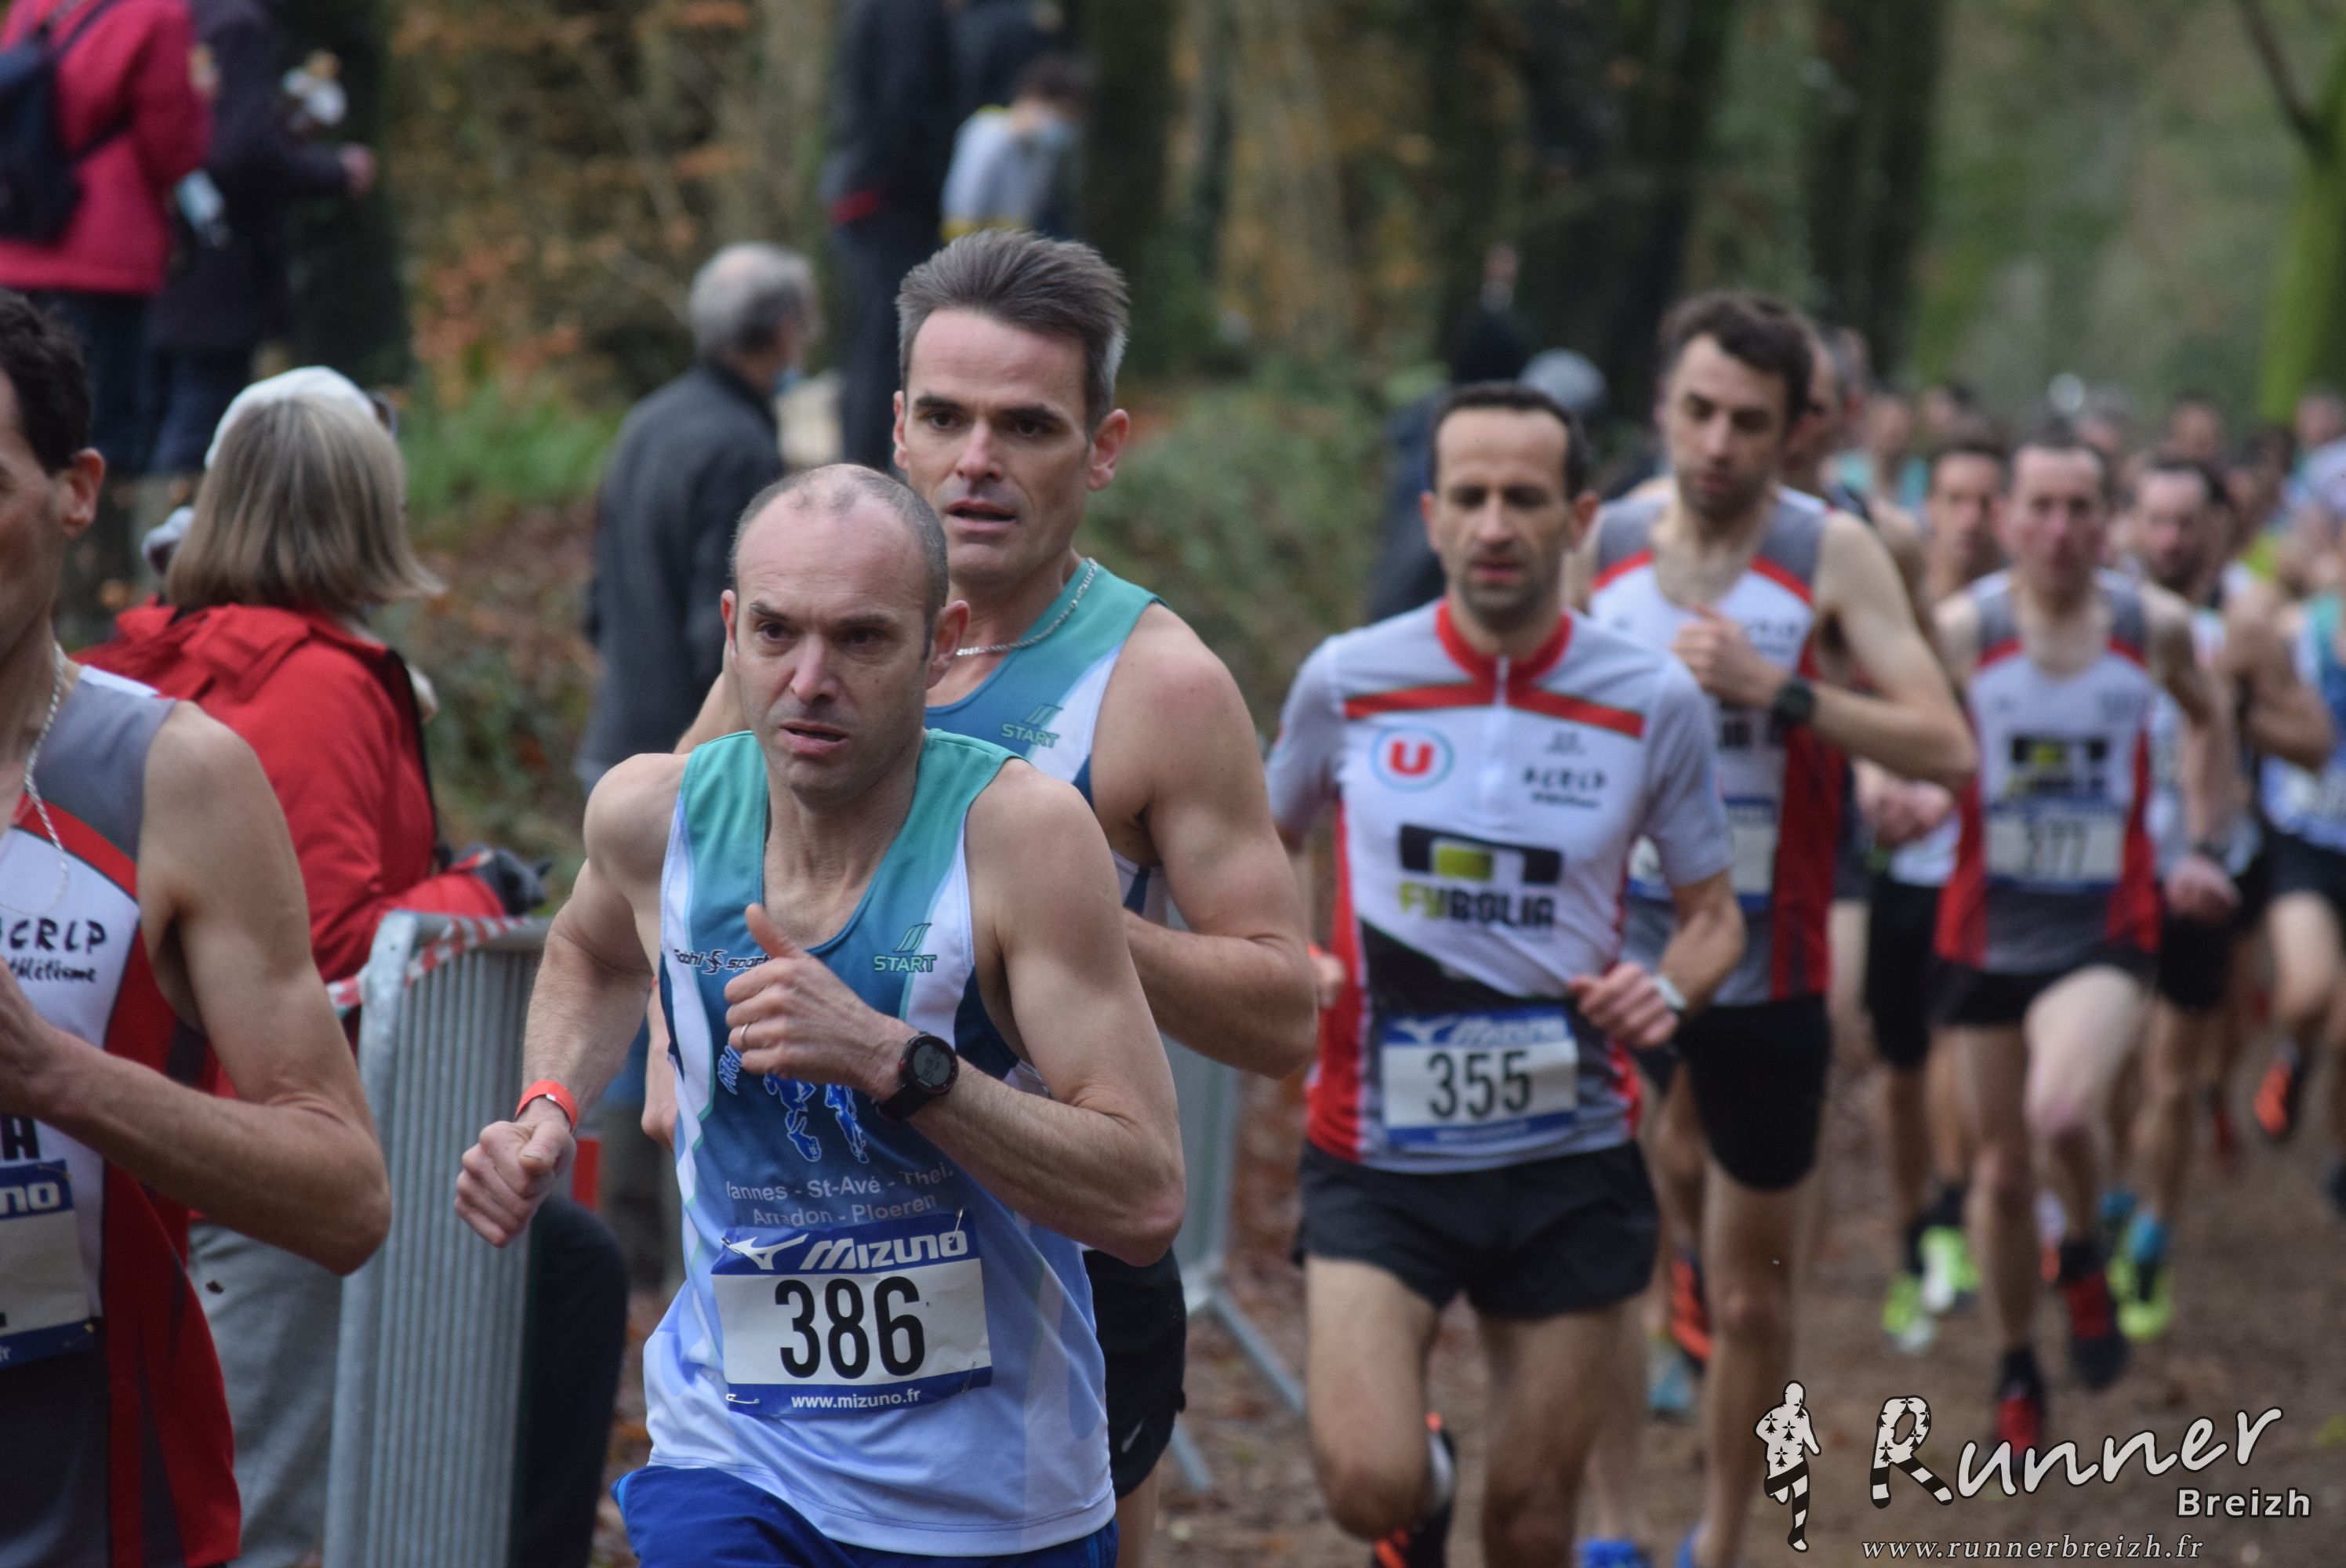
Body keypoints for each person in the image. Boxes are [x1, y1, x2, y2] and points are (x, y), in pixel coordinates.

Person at [667, 229, 1320, 1566]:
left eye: (1025, 425)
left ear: (1102, 447)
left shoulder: (1157, 686)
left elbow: (1280, 1008)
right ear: (896, 426)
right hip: (804, 1254)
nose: (976, 460)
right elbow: (672, 874)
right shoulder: (802, 640)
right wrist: (656, 1065)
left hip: (1056, 1256)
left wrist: (1035, 913)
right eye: (947, 418)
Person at [457, 464, 1186, 1566]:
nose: (809, 680)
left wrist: (895, 1060)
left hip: (992, 1496)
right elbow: (592, 949)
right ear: (729, 631)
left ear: (940, 645)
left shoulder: (1021, 842)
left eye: (860, 639)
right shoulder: (655, 818)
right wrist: (550, 1105)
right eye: (776, 633)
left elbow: (1144, 1194)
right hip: (736, 1457)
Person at [79, 390, 623, 1568]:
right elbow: (329, 948)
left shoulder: (119, 671)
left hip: (124, 1141)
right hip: (259, 1153)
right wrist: (478, 889)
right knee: (251, 1521)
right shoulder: (320, 683)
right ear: (365, 511)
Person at [1271, 382, 1743, 1568]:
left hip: (1566, 1158)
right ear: (1430, 515)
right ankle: (1423, 1488)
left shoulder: (1652, 699)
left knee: (1533, 1520)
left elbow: (1712, 920)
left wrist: (1667, 990)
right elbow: (1262, 839)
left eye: (1524, 498)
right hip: (1378, 1153)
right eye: (1470, 496)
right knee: (1366, 1481)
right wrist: (1286, 945)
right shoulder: (1346, 679)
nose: (1494, 525)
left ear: (1577, 519)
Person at [1574, 290, 1976, 1568]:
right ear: (1662, 407)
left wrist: (1784, 691)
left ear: (1794, 428)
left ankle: (1724, 1539)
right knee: (1602, 1269)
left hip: (1770, 967)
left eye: (1748, 421)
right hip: (1620, 953)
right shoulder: (1607, 540)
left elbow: (1946, 743)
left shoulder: (1830, 552)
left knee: (1752, 1299)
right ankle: (1614, 1530)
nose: (1717, 442)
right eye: (1697, 411)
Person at [0, 291, 390, 1564]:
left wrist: (54, 1076)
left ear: (76, 492)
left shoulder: (174, 775)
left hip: (96, 1510)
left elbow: (345, 1197)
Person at [1930, 432, 2241, 1454]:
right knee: (2000, 1174)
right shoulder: (1965, 631)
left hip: (2105, 924)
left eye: (2079, 509)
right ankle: (2018, 1360)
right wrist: (1897, 791)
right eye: (2041, 507)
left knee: (2061, 1109)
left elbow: (2209, 721)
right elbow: (1907, 729)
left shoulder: (2150, 625)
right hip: (1985, 927)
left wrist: (2203, 847)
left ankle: (2085, 1247)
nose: (2060, 530)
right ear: (2008, 518)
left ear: (2108, 523)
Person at [2104, 457, 2330, 1342]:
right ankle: (2109, 1193)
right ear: (2130, 523)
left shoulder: (2243, 627)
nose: (2168, 539)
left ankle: (2154, 1228)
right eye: (2154, 520)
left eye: (2185, 523)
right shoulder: (2099, 612)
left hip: (2207, 871)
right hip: (2111, 875)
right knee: (2110, 1065)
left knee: (2173, 1070)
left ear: (2217, 531)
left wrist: (2235, 709)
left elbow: (2315, 740)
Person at [1861, 433, 2010, 1353]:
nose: (1969, 519)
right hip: (1901, 872)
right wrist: (1877, 789)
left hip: (1989, 875)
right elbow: (1863, 719)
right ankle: (1916, 1226)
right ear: (1930, 508)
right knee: (1899, 1067)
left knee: (1965, 1045)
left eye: (1986, 500)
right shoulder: (1892, 613)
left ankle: (1961, 1207)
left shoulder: (2026, 615)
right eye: (1953, 498)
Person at [580, 242, 813, 786]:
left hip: (616, 740)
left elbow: (598, 600)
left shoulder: (647, 419)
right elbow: (724, 632)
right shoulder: (741, 448)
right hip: (688, 764)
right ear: (784, 331)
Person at [142, 0, 376, 477]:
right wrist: (331, 170)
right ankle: (186, 524)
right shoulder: (234, 24)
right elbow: (243, 150)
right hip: (219, 263)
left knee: (147, 422)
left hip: (151, 254)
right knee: (202, 432)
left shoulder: (155, 14)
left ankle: (147, 521)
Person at [0, 0, 210, 477]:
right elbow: (174, 144)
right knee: (103, 430)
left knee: (18, 424)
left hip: (19, 240)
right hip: (105, 251)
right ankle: (102, 525)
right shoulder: (158, 14)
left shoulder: (33, 8)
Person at [2246, 517, 2346, 1217]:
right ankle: (2293, 1054)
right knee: (2310, 994)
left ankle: (2340, 1154)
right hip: (2305, 838)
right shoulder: (2296, 631)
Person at [824, 0, 958, 470]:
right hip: (894, 199)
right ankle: (863, 475)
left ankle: (861, 467)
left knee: (873, 343)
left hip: (875, 190)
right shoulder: (907, 11)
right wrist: (933, 188)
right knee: (884, 346)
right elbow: (905, 100)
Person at [942, 53, 1087, 241]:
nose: (1063, 125)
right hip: (974, 248)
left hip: (1013, 247)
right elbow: (960, 215)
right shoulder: (988, 134)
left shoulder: (1042, 153)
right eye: (1062, 114)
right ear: (1034, 97)